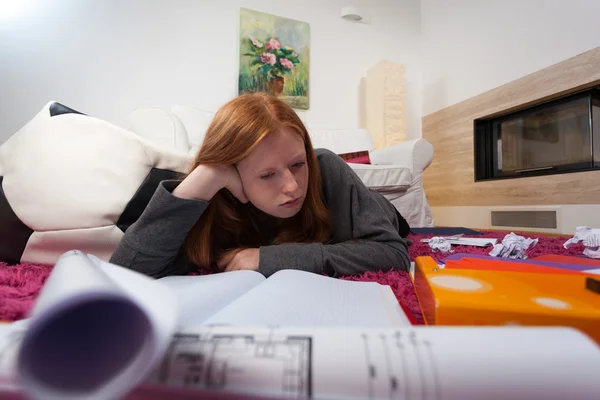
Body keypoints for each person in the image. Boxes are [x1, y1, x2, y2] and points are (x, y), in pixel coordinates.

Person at [110, 93, 411, 279]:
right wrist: (203, 181)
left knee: (391, 217)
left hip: (380, 211)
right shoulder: (214, 194)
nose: (293, 187)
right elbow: (124, 275)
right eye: (268, 175)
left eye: (297, 164)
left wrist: (269, 259)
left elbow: (393, 253)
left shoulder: (325, 168)